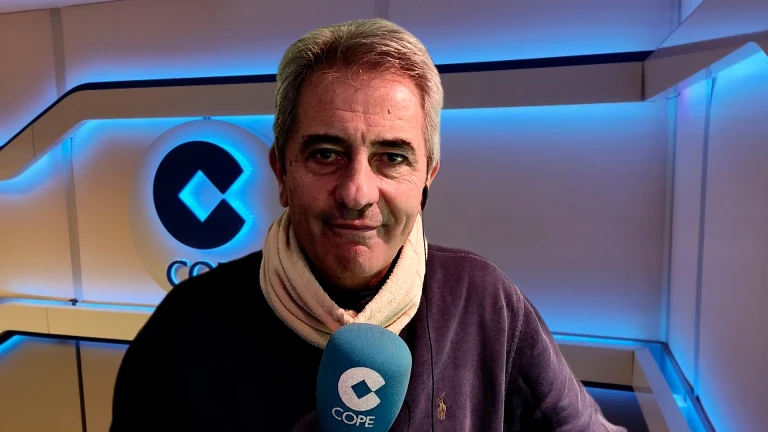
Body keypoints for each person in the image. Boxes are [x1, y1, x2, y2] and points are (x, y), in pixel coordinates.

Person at [110, 18, 624, 432]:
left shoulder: (484, 303)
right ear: (282, 173)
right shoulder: (185, 329)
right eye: (326, 153)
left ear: (427, 177)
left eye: (392, 158)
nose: (357, 192)